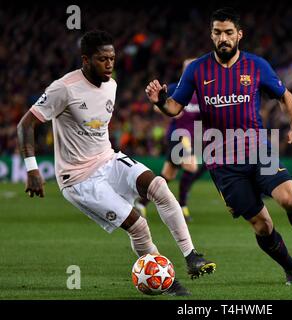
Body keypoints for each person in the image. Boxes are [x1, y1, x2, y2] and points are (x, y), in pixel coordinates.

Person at [145, 8, 292, 285]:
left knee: (291, 200)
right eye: (217, 33)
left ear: (239, 35)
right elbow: (174, 107)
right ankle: (291, 266)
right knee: (262, 226)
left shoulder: (256, 66)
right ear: (211, 35)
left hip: (258, 149)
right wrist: (159, 100)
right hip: (221, 160)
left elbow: (285, 96)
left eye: (228, 32)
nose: (223, 38)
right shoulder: (197, 69)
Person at [16, 30, 216, 296]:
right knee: (139, 226)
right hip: (78, 179)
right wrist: (32, 168)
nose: (109, 64)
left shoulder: (111, 85)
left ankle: (192, 256)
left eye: (112, 58)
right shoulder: (63, 88)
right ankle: (168, 283)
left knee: (159, 187)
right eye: (102, 59)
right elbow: (26, 124)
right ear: (85, 60)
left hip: (108, 159)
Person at [136, 58, 206, 223]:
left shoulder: (203, 92)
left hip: (191, 137)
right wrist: (172, 111)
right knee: (191, 166)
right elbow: (156, 105)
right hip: (177, 135)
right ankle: (182, 206)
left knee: (167, 175)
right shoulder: (177, 88)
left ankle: (141, 203)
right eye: (188, 68)